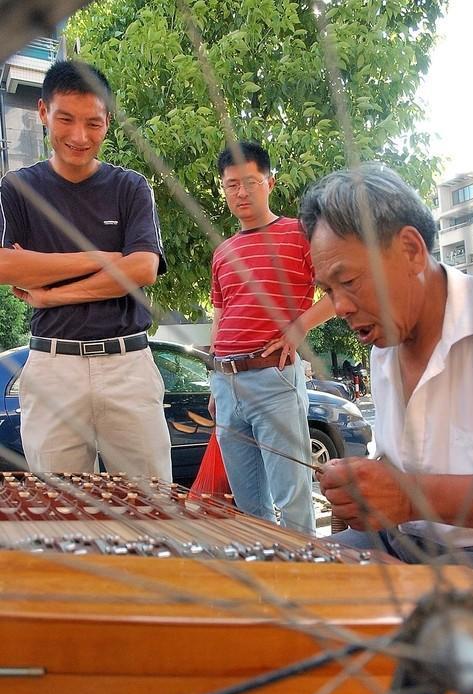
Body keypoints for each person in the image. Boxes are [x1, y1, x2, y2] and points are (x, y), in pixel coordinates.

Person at [299, 162, 473, 570]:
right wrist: (362, 486)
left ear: (411, 250)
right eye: (328, 291)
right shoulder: (383, 348)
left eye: (348, 281)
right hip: (397, 543)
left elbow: (408, 492)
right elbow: (399, 471)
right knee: (286, 579)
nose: (340, 307)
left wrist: (408, 497)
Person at [0, 60, 172, 480]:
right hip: (52, 365)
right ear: (43, 112)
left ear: (108, 122)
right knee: (60, 510)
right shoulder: (16, 188)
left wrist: (50, 291)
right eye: (65, 119)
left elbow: (143, 268)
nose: (79, 136)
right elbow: (6, 266)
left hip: (127, 363)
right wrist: (103, 257)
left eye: (93, 123)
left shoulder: (130, 187)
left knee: (152, 507)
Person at [209, 141, 334, 534]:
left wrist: (299, 328)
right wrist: (215, 380)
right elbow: (221, 314)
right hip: (226, 385)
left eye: (250, 182)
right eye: (231, 185)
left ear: (270, 182)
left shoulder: (300, 235)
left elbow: (340, 292)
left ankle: (306, 588)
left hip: (274, 380)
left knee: (293, 503)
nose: (241, 193)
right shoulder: (223, 251)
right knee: (249, 509)